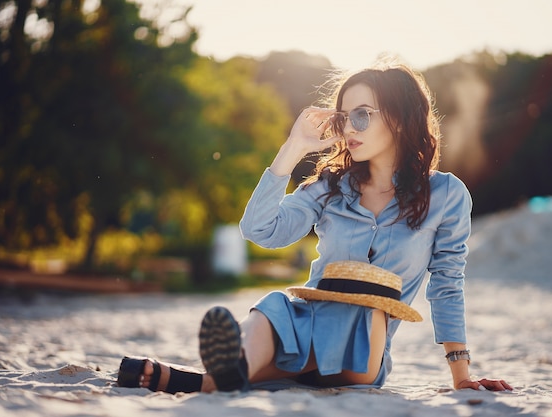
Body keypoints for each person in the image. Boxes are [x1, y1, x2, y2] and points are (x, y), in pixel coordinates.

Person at [116, 61, 513, 394]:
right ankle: (213, 376)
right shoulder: (330, 188)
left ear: (399, 118)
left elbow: (447, 283)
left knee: (363, 318)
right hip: (304, 320)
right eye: (344, 118)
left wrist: (461, 376)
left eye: (363, 115)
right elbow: (259, 230)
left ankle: (210, 375)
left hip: (364, 345)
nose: (350, 128)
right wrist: (292, 150)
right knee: (272, 311)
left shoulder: (447, 195)